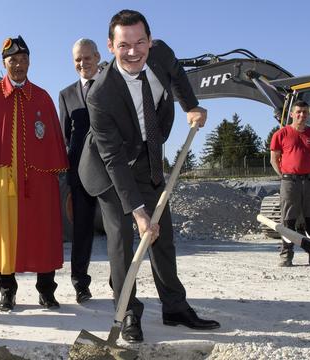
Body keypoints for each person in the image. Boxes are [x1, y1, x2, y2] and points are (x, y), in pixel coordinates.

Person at [78, 10, 220, 343]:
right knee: (124, 240)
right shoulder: (100, 94)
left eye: (140, 41)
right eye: (124, 44)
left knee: (163, 236)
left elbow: (178, 75)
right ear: (111, 46)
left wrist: (191, 106)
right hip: (107, 169)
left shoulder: (162, 54)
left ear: (150, 41)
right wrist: (138, 212)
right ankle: (127, 311)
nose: (133, 51)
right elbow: (112, 157)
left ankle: (174, 307)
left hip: (146, 157)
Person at [0, 36, 69, 312]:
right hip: (3, 182)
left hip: (40, 180)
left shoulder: (43, 97)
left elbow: (53, 143)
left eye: (23, 60)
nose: (19, 64)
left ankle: (46, 291)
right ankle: (7, 292)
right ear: (4, 63)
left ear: (30, 62)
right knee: (4, 238)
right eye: (13, 60)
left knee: (43, 234)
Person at [58, 38, 101, 304]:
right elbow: (64, 135)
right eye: (77, 59)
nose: (82, 63)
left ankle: (118, 283)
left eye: (87, 58)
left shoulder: (112, 86)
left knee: (116, 230)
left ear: (97, 57)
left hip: (110, 172)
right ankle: (80, 285)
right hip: (80, 173)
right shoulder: (66, 94)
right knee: (82, 230)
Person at [270, 100, 310, 267]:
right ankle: (286, 256)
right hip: (290, 182)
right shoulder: (281, 134)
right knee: (288, 220)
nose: (302, 115)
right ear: (292, 114)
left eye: (305, 112)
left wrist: (308, 172)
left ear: (308, 115)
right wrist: (286, 176)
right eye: (299, 112)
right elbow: (274, 159)